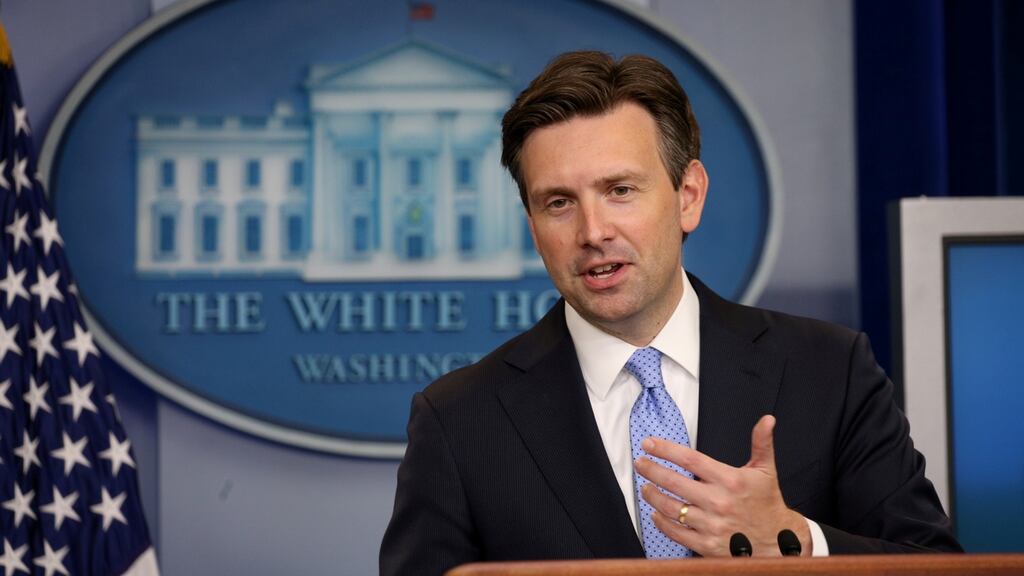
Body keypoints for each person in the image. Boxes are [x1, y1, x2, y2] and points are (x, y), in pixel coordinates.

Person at [379, 51, 961, 575]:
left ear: (689, 196)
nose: (593, 231)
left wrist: (793, 541)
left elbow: (935, 567)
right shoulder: (459, 421)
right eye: (558, 203)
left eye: (620, 190)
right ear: (533, 227)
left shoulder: (830, 371)